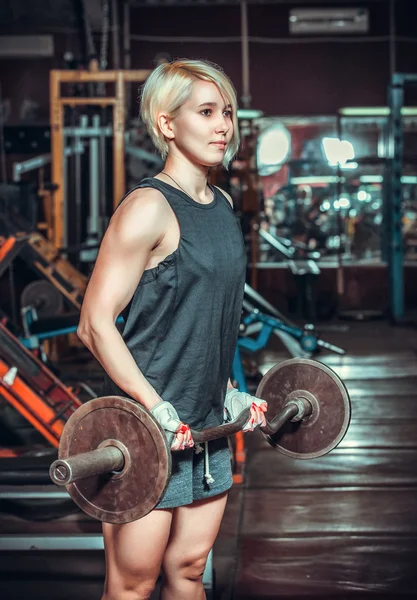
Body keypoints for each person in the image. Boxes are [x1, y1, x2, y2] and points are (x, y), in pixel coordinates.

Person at [77, 59, 268, 600]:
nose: (222, 126)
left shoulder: (223, 206)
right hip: (147, 432)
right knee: (133, 583)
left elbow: (201, 320)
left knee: (187, 569)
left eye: (226, 113)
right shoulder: (148, 209)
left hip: (207, 428)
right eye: (206, 112)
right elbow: (94, 324)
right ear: (166, 124)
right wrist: (155, 407)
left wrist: (228, 393)